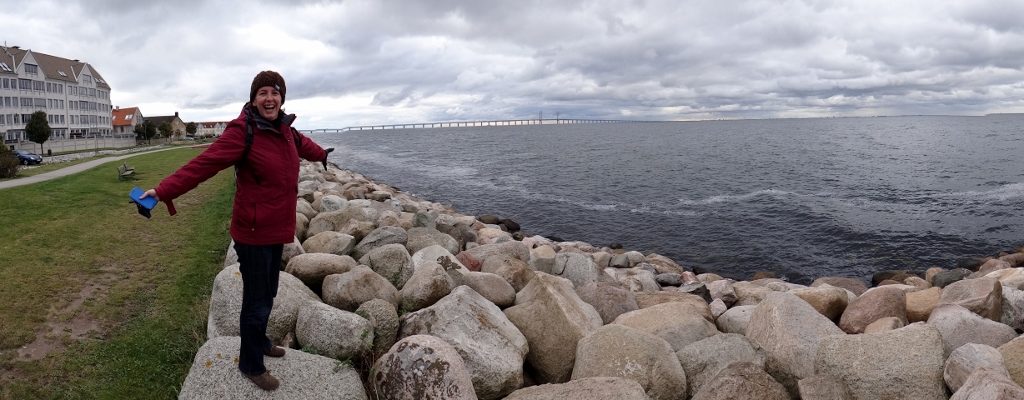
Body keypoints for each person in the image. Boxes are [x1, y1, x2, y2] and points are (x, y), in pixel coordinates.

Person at [140, 70, 331, 391]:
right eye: (263, 93)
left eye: (275, 93)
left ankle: (260, 341)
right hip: (253, 232)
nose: (269, 98)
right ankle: (251, 363)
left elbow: (303, 143)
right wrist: (162, 191)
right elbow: (203, 164)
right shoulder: (243, 132)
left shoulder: (285, 130)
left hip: (276, 228)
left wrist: (322, 154)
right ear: (254, 99)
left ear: (282, 98)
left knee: (268, 292)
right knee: (256, 300)